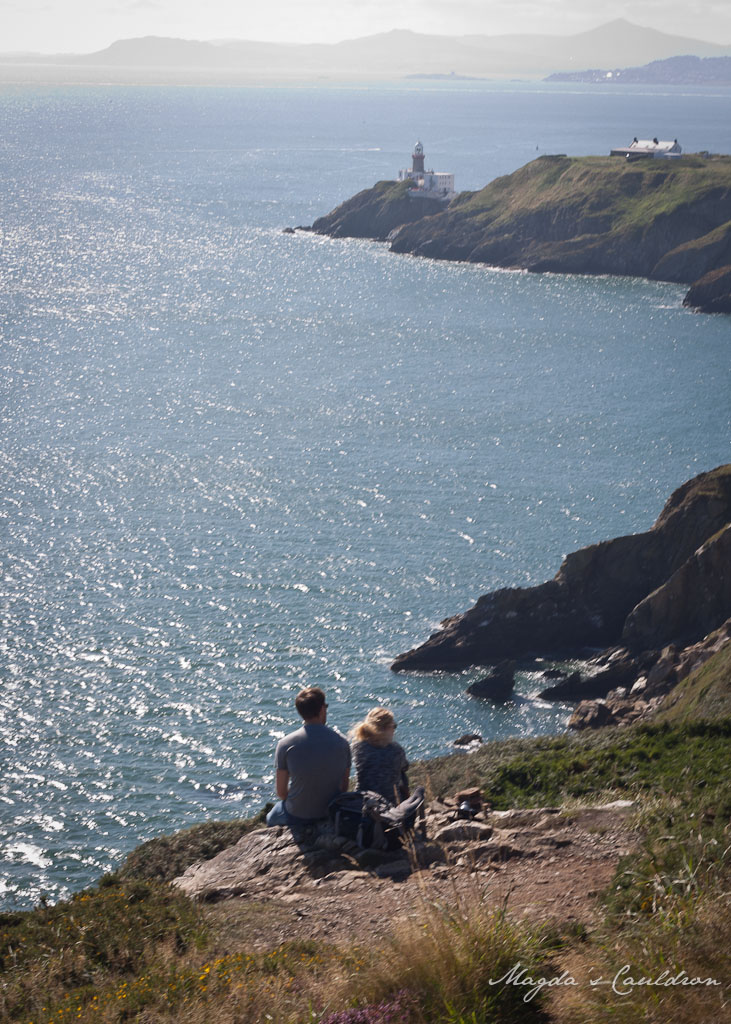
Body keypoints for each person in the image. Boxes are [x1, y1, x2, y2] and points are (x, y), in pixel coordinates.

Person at [266, 687, 351, 827]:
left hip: (297, 815)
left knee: (271, 816)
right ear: (322, 708)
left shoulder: (285, 744)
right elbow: (344, 787)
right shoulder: (342, 742)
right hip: (328, 813)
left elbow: (281, 792)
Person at [350, 707, 409, 805]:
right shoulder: (396, 750)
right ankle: (406, 810)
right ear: (386, 728)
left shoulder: (358, 747)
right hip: (389, 803)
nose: (394, 729)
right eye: (393, 726)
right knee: (402, 775)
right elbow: (405, 766)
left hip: (363, 800)